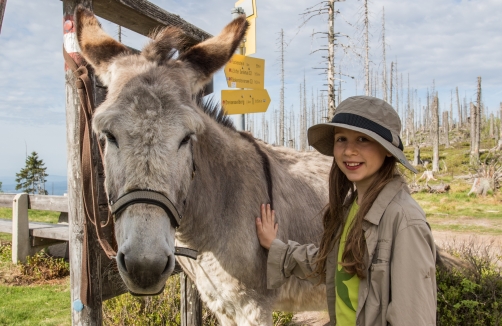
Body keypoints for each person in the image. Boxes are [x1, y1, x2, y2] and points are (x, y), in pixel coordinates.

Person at [256, 96, 437, 326]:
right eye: (341, 139)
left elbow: (413, 317)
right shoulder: (352, 207)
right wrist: (276, 247)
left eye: (363, 139)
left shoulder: (404, 220)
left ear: (388, 150)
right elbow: (330, 264)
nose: (349, 150)